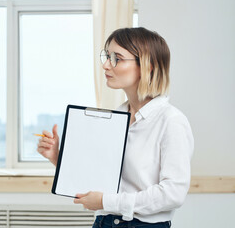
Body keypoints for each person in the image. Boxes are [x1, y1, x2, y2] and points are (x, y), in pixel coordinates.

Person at [37, 27, 194, 228]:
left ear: (149, 65)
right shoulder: (115, 119)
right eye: (106, 56)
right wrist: (57, 157)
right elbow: (101, 177)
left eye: (116, 58)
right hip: (104, 222)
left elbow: (173, 193)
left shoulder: (171, 121)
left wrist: (105, 201)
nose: (105, 65)